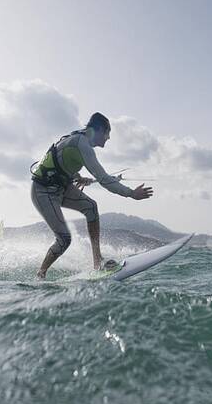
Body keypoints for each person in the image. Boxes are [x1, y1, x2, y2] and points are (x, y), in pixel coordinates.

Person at [30, 112, 153, 279]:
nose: (108, 138)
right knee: (64, 239)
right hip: (43, 191)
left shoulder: (79, 140)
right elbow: (104, 180)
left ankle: (97, 261)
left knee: (91, 207)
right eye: (107, 133)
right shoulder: (82, 144)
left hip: (60, 187)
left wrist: (78, 178)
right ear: (100, 129)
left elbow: (63, 162)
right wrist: (131, 193)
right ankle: (41, 274)